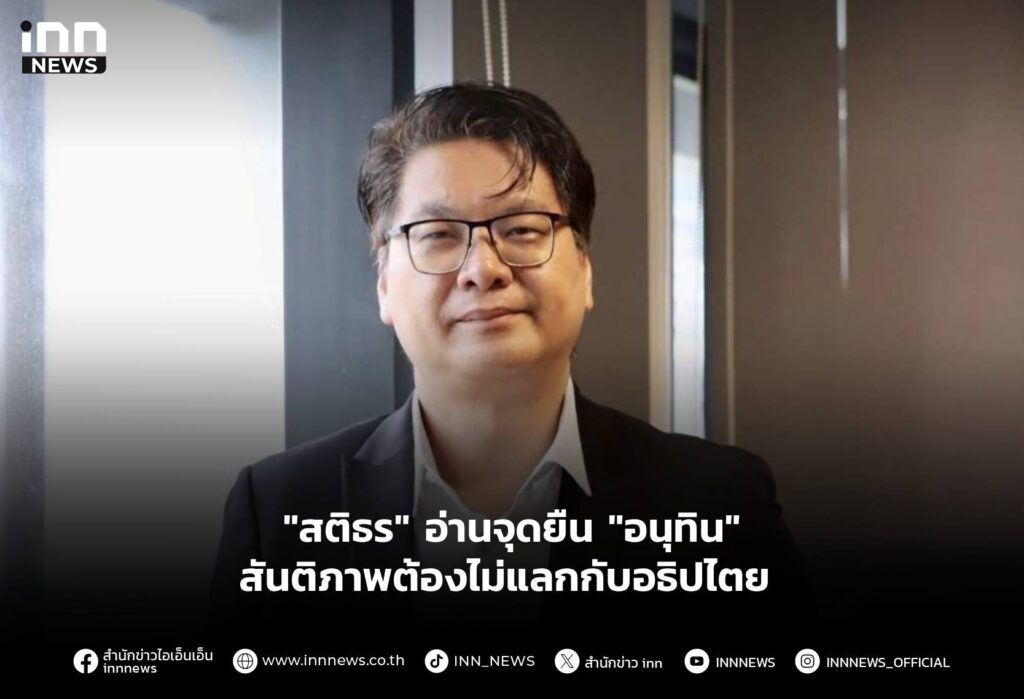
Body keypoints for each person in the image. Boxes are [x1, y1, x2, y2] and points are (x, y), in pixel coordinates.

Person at [207, 82, 814, 645]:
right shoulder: (279, 511)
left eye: (522, 229)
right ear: (384, 287)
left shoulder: (720, 503)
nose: (483, 268)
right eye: (438, 234)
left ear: (585, 271)